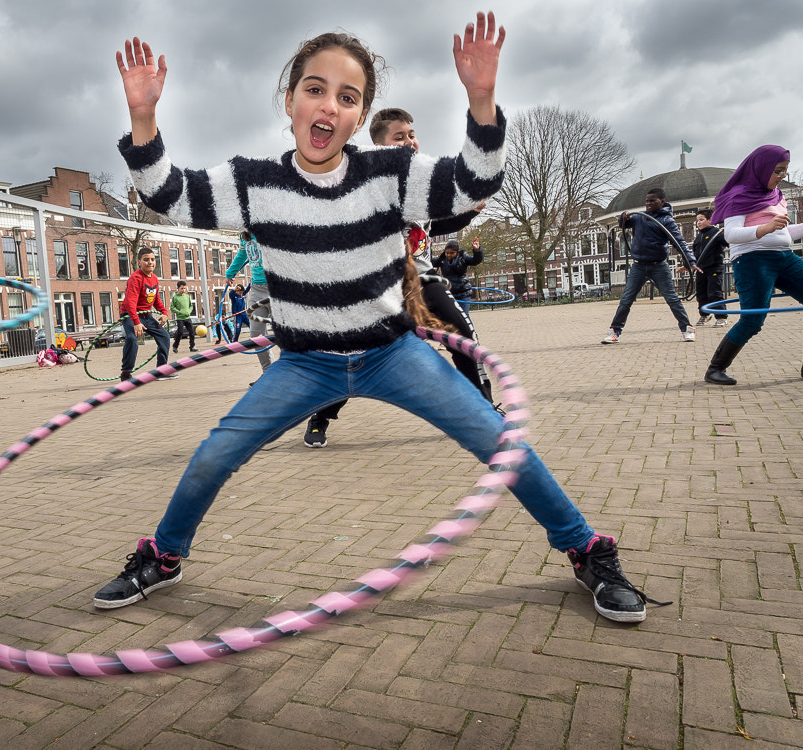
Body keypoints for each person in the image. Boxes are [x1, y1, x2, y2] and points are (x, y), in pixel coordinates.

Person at [96, 13, 660, 624]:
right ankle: (164, 555)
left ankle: (586, 549)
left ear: (359, 118)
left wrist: (481, 99)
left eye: (347, 98)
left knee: (499, 442)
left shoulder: (389, 175)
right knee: (213, 454)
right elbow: (167, 195)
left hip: (393, 354)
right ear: (289, 101)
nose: (328, 107)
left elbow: (474, 184)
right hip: (304, 364)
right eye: (315, 89)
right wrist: (144, 118)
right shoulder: (253, 183)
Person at [301, 107, 495, 449]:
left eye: (412, 134)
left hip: (419, 283)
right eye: (399, 136)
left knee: (463, 335)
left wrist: (468, 211)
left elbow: (438, 223)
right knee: (349, 359)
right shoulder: (366, 182)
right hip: (374, 287)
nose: (409, 141)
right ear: (380, 147)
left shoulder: (423, 185)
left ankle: (484, 409)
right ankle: (320, 414)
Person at [704, 145, 803, 385]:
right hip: (752, 260)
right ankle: (715, 369)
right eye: (777, 171)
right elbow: (732, 234)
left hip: (784, 257)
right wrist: (767, 227)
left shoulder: (777, 196)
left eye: (785, 171)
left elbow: (785, 234)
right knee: (753, 319)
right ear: (761, 168)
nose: (781, 177)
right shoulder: (739, 195)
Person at [602, 188, 701, 344]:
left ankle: (687, 328)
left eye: (652, 201)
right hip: (638, 266)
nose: (648, 204)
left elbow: (679, 242)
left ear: (662, 201)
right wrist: (623, 218)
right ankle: (614, 331)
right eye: (647, 201)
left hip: (659, 266)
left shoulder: (667, 221)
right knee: (626, 299)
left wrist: (691, 261)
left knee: (672, 298)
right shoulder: (640, 217)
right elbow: (623, 225)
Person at [120, 246, 175, 380]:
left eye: (152, 259)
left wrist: (164, 312)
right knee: (132, 339)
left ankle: (161, 371)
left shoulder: (154, 278)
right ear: (139, 262)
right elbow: (130, 303)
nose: (150, 262)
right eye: (146, 260)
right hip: (130, 315)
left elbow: (155, 299)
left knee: (164, 337)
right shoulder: (135, 278)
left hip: (146, 315)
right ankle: (126, 373)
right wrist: (136, 322)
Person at [226, 230, 274, 374]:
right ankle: (269, 374)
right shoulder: (244, 234)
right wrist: (230, 272)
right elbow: (242, 254)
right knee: (256, 335)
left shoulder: (268, 226)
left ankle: (296, 373)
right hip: (257, 289)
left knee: (287, 333)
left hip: (278, 287)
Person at [692, 208, 729, 327]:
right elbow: (694, 254)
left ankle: (721, 317)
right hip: (701, 269)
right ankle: (705, 314)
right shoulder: (698, 237)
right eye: (697, 220)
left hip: (714, 268)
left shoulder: (716, 233)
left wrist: (727, 233)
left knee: (714, 293)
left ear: (710, 220)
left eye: (701, 220)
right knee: (701, 294)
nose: (698, 222)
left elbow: (729, 242)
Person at [433, 236, 484, 315]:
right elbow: (429, 261)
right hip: (449, 293)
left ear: (457, 252)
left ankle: (468, 328)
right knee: (451, 317)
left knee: (463, 316)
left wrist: (477, 250)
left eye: (452, 253)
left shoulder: (463, 258)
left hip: (463, 292)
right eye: (447, 253)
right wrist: (427, 249)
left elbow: (475, 260)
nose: (449, 255)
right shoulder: (442, 260)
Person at [169, 280, 198, 353]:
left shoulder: (187, 297)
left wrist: (189, 311)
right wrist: (180, 312)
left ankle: (192, 346)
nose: (183, 290)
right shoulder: (175, 297)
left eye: (184, 288)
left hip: (187, 317)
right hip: (180, 318)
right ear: (178, 288)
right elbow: (172, 308)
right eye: (182, 288)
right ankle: (175, 346)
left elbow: (191, 306)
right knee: (180, 332)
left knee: (191, 332)